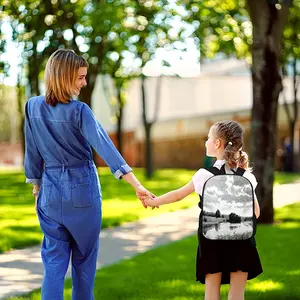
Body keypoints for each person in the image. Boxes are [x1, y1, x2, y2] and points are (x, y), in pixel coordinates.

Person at [24, 48, 153, 300]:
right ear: (64, 77)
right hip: (82, 191)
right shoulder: (79, 111)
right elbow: (106, 148)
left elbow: (32, 152)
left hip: (49, 193)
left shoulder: (32, 107)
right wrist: (136, 184)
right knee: (83, 264)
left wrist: (37, 188)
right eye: (80, 77)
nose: (84, 83)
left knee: (53, 265)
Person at [144, 120, 263, 300]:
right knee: (237, 294)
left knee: (211, 293)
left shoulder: (204, 175)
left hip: (212, 242)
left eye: (208, 138)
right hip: (241, 241)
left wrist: (154, 202)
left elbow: (178, 195)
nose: (206, 142)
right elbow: (256, 212)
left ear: (217, 144)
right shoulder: (247, 176)